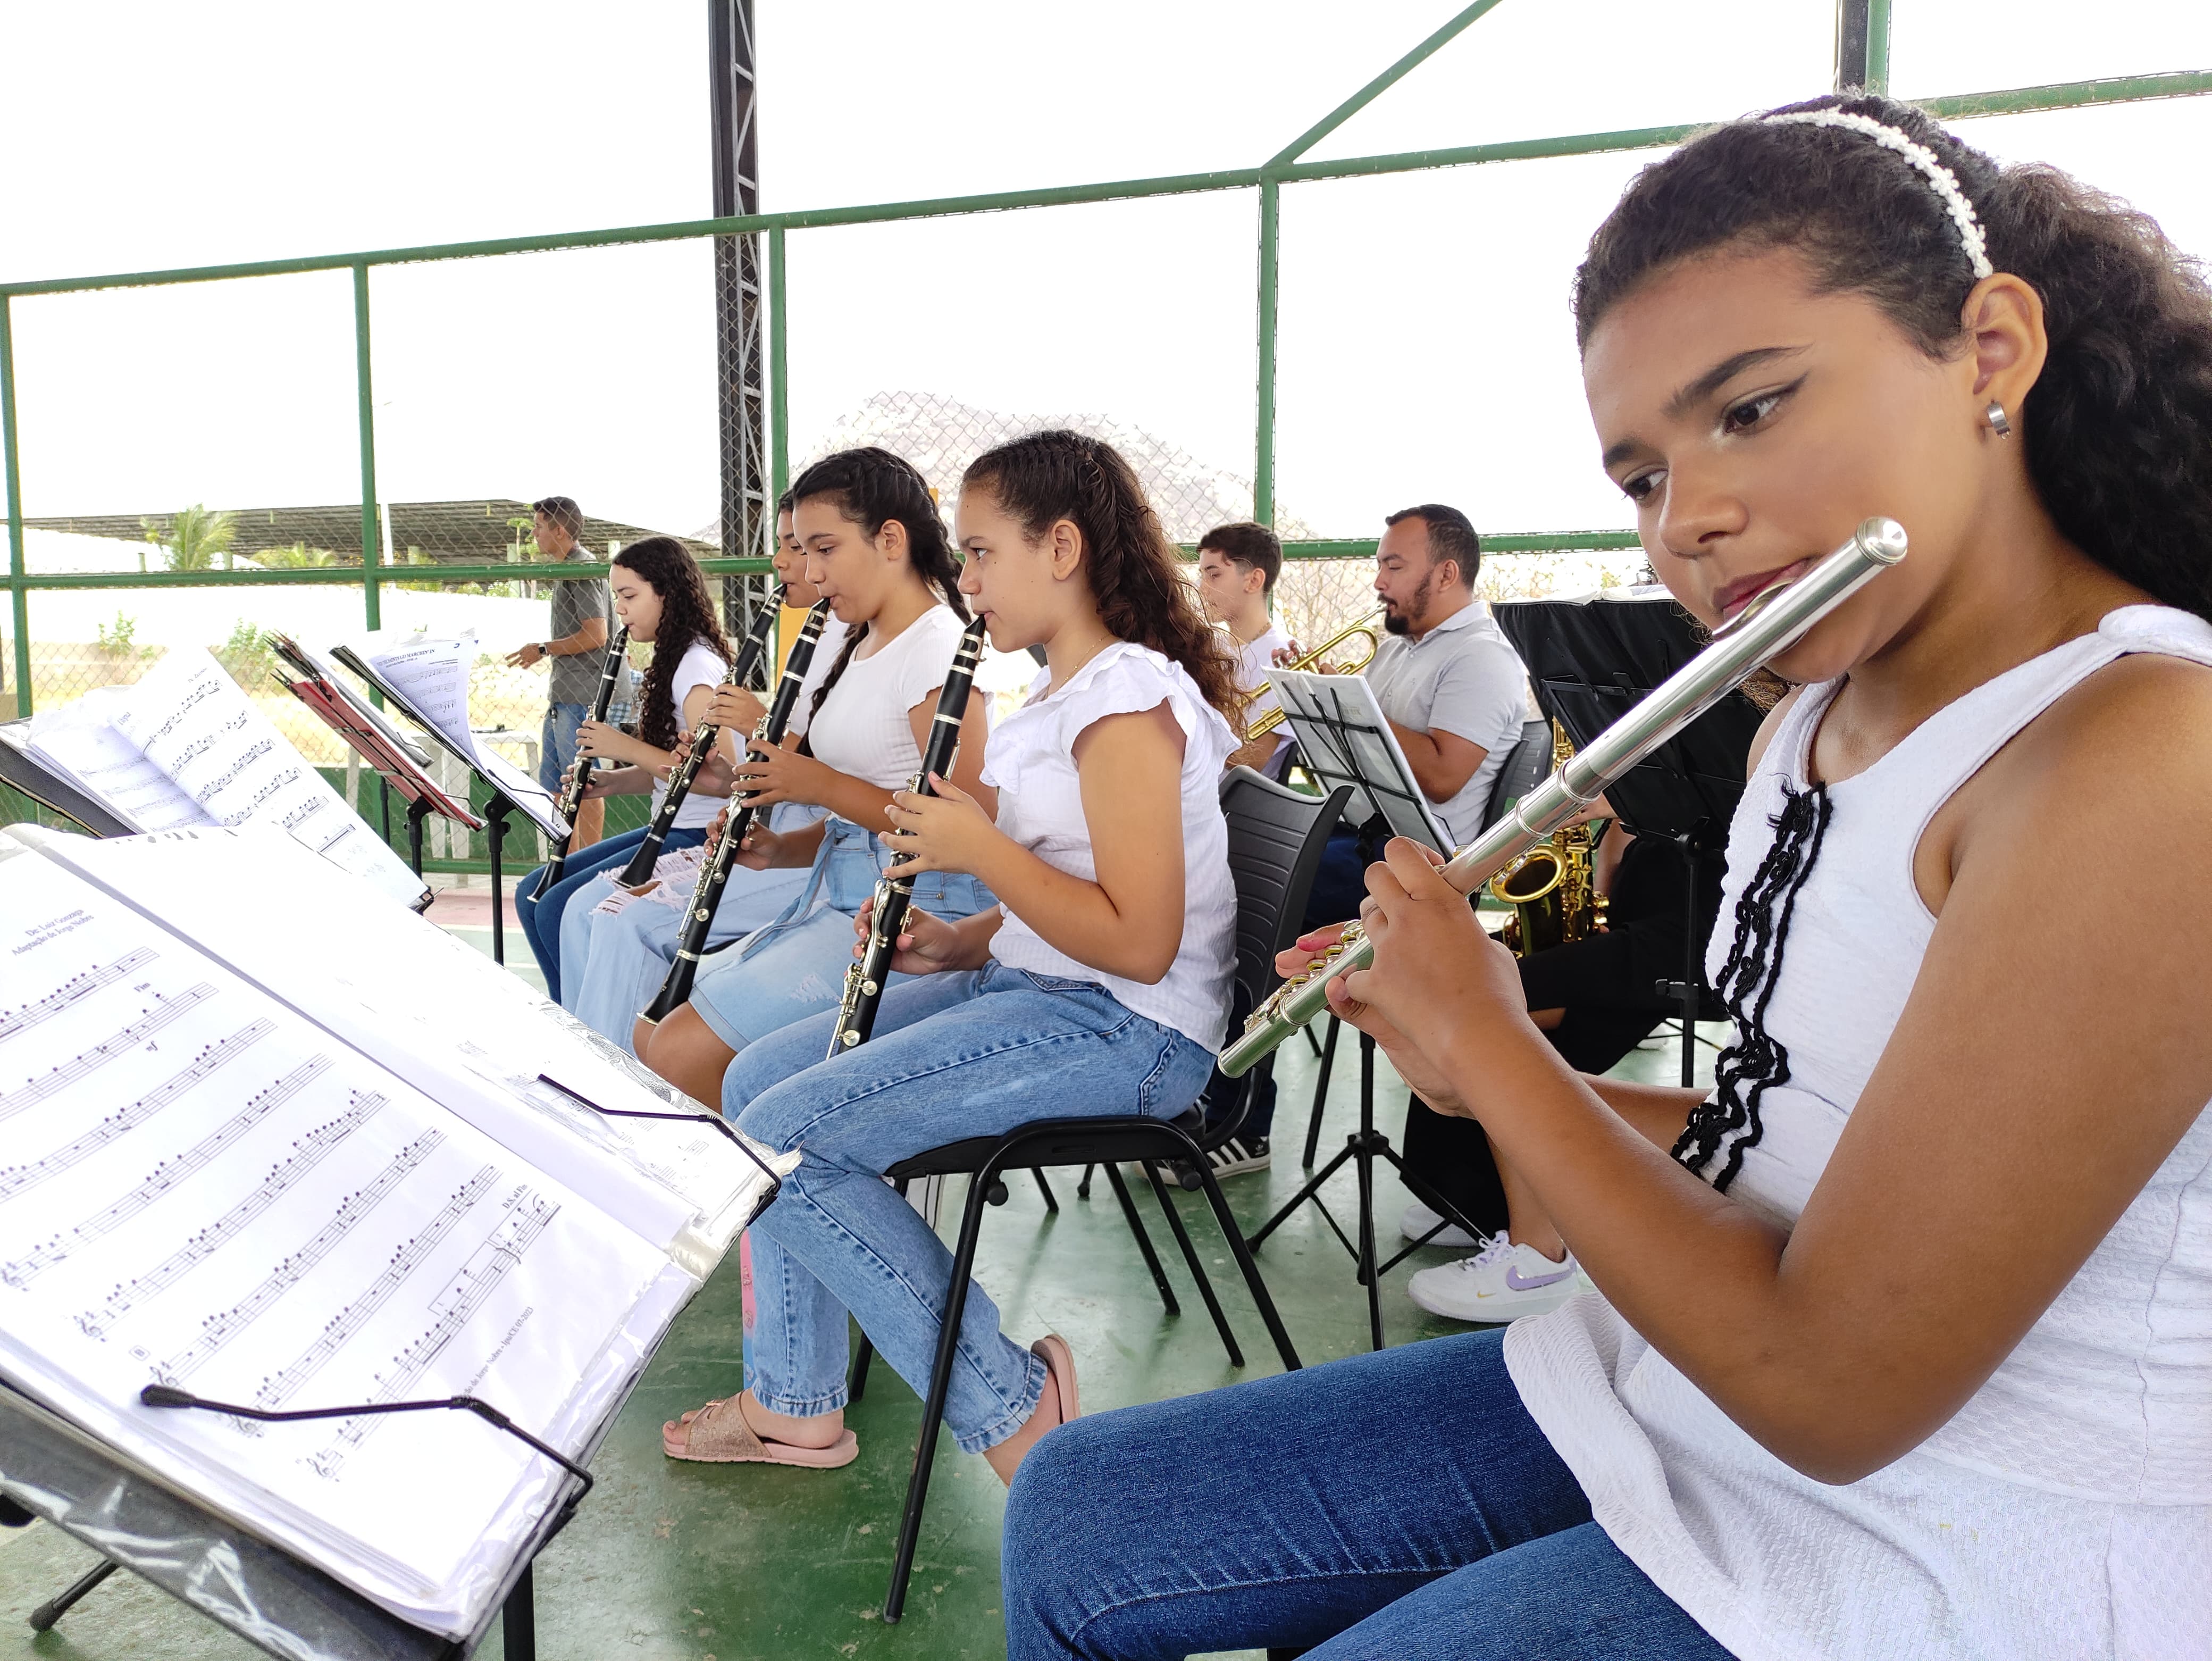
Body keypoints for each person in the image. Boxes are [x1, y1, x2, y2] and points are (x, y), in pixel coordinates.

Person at [1001, 95, 2212, 1660]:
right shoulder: (1815, 716)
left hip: (1947, 1541)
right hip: (1682, 1394)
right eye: (1641, 477)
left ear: (1989, 350)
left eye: (1752, 409)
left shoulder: (2141, 758)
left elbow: (1838, 1390)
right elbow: (1786, 1151)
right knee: (1078, 1516)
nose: (1689, 518)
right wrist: (1479, 1061)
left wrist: (1501, 1050)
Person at [658, 428, 1242, 1480]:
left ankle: (1012, 1408)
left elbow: (1142, 945)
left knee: (785, 1137)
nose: (964, 580)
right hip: (1043, 986)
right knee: (753, 1083)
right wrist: (965, 936)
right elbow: (1070, 889)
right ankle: (794, 1404)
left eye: (979, 553)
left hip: (1128, 1031)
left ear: (1060, 549)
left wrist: (980, 852)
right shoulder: (1069, 692)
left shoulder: (1123, 705)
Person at [636, 447, 995, 1101]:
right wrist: (781, 849)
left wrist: (812, 782)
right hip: (846, 896)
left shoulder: (935, 646)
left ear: (891, 540)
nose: (810, 571)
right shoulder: (865, 640)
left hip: (923, 913)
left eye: (824, 549)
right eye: (804, 551)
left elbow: (971, 822)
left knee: (679, 1052)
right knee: (652, 1033)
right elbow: (858, 819)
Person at [558, 494, 849, 1050]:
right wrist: (629, 777)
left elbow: (780, 772)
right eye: (788, 546)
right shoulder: (818, 636)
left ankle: (611, 1069)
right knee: (573, 910)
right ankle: (588, 1052)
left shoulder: (697, 664)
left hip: (776, 841)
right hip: (779, 834)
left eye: (805, 547)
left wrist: (754, 726)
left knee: (608, 919)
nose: (782, 563)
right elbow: (743, 772)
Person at [513, 537, 730, 999]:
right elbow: (670, 771)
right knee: (533, 895)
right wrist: (609, 781)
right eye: (617, 597)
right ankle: (571, 1011)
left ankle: (585, 1022)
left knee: (554, 909)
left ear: (667, 593)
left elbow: (723, 780)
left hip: (699, 834)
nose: (621, 609)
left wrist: (624, 746)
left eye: (629, 595)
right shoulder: (673, 660)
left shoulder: (696, 669)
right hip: (671, 823)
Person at [505, 496, 614, 854]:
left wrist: (542, 649)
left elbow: (597, 634)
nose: (534, 534)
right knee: (557, 785)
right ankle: (566, 862)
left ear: (560, 531)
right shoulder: (570, 567)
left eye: (539, 527)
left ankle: (590, 864)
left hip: (582, 693)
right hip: (566, 692)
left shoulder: (580, 569)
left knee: (584, 782)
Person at [1194, 521, 1294, 776]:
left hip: (1229, 798)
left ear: (1253, 581)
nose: (1202, 589)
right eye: (1202, 576)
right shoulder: (1211, 646)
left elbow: (1250, 761)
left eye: (1214, 575)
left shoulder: (1281, 657)